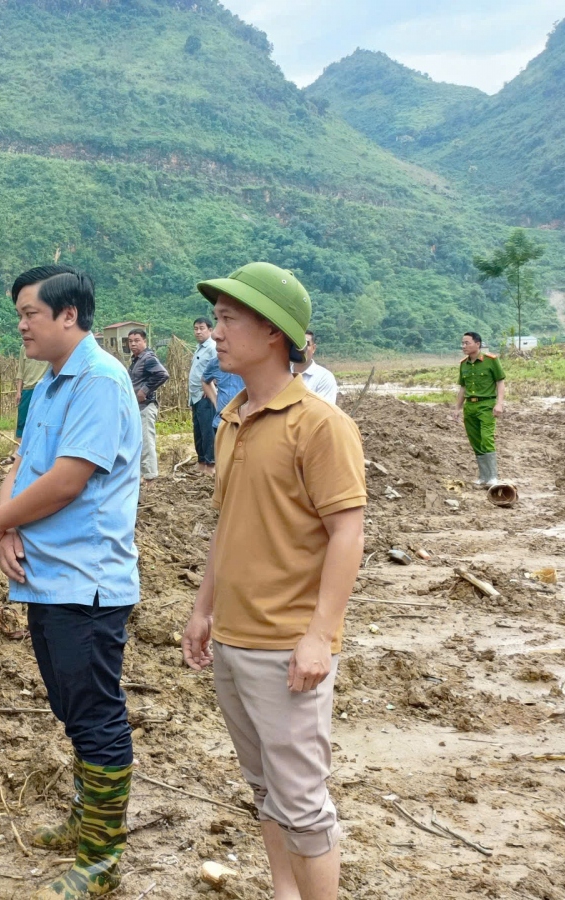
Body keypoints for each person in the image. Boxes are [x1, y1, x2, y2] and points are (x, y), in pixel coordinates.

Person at [181, 263, 366, 900]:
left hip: (286, 645)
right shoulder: (234, 418)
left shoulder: (319, 424)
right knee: (265, 790)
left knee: (304, 802)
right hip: (234, 637)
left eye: (230, 321)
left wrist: (321, 635)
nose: (217, 334)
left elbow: (348, 533)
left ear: (272, 334)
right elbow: (229, 526)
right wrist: (204, 608)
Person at [0, 265, 141, 900]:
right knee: (71, 707)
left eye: (28, 314)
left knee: (96, 714)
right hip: (48, 578)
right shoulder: (49, 384)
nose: (19, 326)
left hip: (87, 581)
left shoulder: (100, 381)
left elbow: (70, 479)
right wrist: (5, 523)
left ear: (67, 315)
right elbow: (24, 463)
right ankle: (85, 820)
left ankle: (102, 859)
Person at [453, 331, 507, 486]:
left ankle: (493, 477)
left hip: (486, 405)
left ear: (477, 344)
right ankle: (483, 476)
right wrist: (457, 408)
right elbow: (463, 388)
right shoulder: (464, 364)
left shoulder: (491, 361)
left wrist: (499, 403)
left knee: (486, 438)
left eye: (467, 343)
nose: (463, 346)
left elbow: (500, 383)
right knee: (475, 440)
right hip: (470, 406)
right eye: (462, 343)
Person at [126, 329, 168, 481]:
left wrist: (144, 391)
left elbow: (162, 374)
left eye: (137, 340)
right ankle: (141, 475)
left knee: (147, 442)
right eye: (130, 341)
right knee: (138, 442)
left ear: (145, 341)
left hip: (146, 406)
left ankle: (150, 478)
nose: (133, 344)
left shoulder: (148, 358)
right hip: (137, 407)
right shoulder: (136, 360)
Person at [188, 317, 219, 474]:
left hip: (205, 395)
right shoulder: (199, 347)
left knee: (208, 430)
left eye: (201, 328)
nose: (198, 331)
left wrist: (212, 387)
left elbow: (221, 368)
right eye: (196, 328)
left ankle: (210, 464)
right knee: (198, 430)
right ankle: (201, 462)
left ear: (210, 330)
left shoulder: (213, 348)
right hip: (195, 395)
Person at [297, 331, 339, 405]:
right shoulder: (281, 374)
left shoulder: (324, 378)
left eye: (306, 344)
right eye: (297, 343)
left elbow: (324, 411)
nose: (302, 348)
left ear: (313, 348)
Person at [202, 351, 245, 420]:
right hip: (221, 421)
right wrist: (216, 402)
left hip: (243, 421)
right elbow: (204, 380)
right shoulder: (215, 362)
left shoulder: (250, 362)